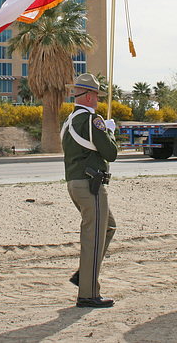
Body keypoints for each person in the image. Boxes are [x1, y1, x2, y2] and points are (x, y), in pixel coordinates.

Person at [61, 73, 117, 308]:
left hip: (76, 183)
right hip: (90, 184)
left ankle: (84, 274)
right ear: (90, 96)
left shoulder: (70, 120)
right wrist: (110, 132)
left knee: (109, 226)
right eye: (96, 96)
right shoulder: (92, 121)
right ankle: (88, 293)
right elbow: (111, 153)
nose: (98, 100)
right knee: (93, 236)